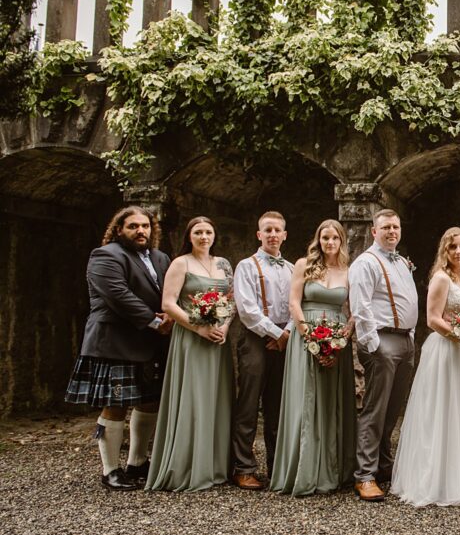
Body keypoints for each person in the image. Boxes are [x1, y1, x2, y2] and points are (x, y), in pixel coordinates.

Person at [65, 206, 172, 490]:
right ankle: (110, 470)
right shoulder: (105, 255)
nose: (141, 231)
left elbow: (170, 292)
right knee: (115, 405)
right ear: (119, 230)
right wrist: (155, 321)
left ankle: (137, 462)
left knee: (149, 402)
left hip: (149, 342)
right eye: (133, 226)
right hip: (115, 341)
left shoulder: (160, 258)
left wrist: (171, 315)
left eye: (145, 226)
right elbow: (118, 295)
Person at [391, 227, 460, 507]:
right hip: (447, 351)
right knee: (443, 412)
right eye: (452, 247)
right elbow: (433, 319)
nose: (458, 251)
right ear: (444, 251)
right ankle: (438, 481)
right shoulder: (441, 278)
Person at [146, 216, 234, 492]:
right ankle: (188, 466)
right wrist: (198, 328)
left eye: (208, 232)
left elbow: (231, 300)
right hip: (191, 338)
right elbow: (168, 304)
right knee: (193, 397)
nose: (204, 237)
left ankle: (216, 465)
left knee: (217, 398)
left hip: (218, 341)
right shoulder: (180, 263)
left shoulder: (223, 264)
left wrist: (223, 327)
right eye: (198, 232)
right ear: (189, 236)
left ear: (214, 235)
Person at [270, 219, 357, 496]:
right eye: (325, 238)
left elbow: (355, 309)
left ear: (342, 241)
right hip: (305, 336)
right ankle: (303, 470)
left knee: (332, 400)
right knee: (306, 399)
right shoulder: (303, 265)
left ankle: (334, 469)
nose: (329, 242)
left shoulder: (349, 271)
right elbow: (294, 302)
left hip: (337, 338)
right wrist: (310, 338)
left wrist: (342, 338)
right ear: (318, 240)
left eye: (335, 238)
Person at [348, 209, 418, 502]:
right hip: (382, 341)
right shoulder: (365, 262)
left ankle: (383, 464)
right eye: (386, 227)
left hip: (404, 341)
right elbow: (361, 306)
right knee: (375, 409)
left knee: (392, 409)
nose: (392, 231)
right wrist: (373, 344)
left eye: (396, 227)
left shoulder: (401, 261)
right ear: (374, 232)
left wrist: (410, 336)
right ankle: (364, 475)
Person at [230, 211, 292, 490]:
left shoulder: (292, 268)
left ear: (284, 235)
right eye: (268, 230)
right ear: (259, 234)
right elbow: (247, 309)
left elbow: (298, 304)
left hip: (284, 339)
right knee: (248, 403)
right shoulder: (246, 266)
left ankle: (277, 465)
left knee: (277, 405)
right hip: (256, 337)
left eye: (277, 230)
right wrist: (277, 334)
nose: (273, 234)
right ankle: (243, 467)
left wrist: (287, 333)